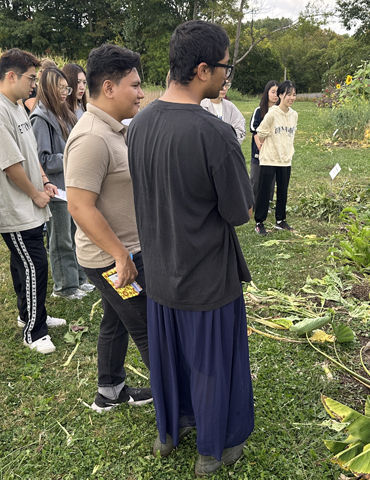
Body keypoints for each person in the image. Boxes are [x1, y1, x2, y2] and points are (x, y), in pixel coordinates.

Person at [127, 20, 254, 477]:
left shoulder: (139, 124)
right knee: (212, 362)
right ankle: (213, 449)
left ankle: (169, 432)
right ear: (202, 69)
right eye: (225, 67)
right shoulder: (213, 133)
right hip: (205, 273)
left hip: (160, 269)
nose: (226, 77)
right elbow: (240, 211)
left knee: (171, 357)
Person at [64, 44, 152, 413]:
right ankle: (180, 407)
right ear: (110, 87)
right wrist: (121, 256)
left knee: (115, 319)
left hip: (121, 252)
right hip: (112, 258)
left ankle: (110, 390)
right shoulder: (91, 138)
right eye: (134, 85)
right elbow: (79, 206)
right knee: (149, 328)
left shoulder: (113, 129)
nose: (141, 93)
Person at [0, 48, 65, 355]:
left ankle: (30, 314)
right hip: (13, 206)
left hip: (28, 202)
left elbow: (28, 151)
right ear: (11, 76)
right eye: (31, 78)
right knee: (34, 265)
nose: (34, 85)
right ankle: (34, 331)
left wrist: (43, 179)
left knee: (24, 263)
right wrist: (35, 193)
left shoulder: (17, 106)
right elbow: (10, 164)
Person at [29, 67, 94, 300]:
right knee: (61, 238)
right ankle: (64, 287)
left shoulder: (64, 113)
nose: (66, 92)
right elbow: (42, 160)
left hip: (72, 185)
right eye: (61, 88)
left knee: (77, 234)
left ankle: (79, 279)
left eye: (66, 87)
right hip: (56, 188)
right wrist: (70, 157)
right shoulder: (40, 118)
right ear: (48, 88)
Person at [254, 80, 298, 235]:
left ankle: (280, 220)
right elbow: (260, 133)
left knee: (283, 191)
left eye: (294, 95)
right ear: (280, 95)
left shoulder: (294, 115)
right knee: (265, 191)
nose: (292, 98)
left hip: (285, 159)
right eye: (288, 94)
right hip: (269, 158)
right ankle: (259, 222)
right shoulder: (272, 113)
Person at [249, 80, 278, 206]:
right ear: (267, 93)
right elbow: (254, 129)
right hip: (259, 151)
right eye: (273, 92)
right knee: (255, 179)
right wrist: (260, 145)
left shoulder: (281, 112)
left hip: (274, 152)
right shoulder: (259, 110)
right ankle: (252, 202)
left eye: (278, 92)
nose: (275, 95)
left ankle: (267, 203)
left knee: (270, 179)